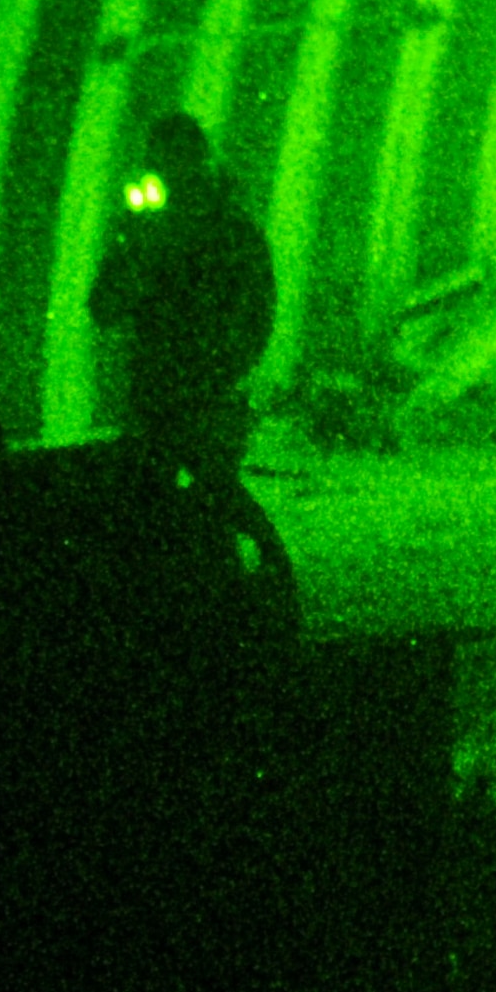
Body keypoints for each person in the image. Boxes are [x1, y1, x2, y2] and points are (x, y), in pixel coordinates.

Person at [89, 113, 298, 640]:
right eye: (161, 166)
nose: (169, 177)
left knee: (207, 505)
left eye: (177, 165)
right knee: (174, 511)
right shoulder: (147, 234)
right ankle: (202, 620)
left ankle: (230, 619)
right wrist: (134, 247)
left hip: (207, 397)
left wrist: (220, 374)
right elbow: (104, 307)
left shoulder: (230, 232)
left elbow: (255, 314)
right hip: (164, 398)